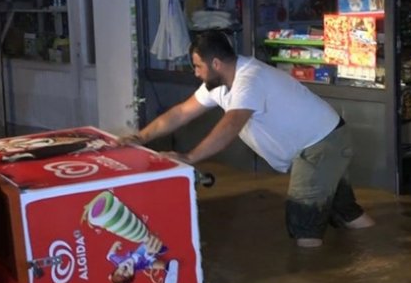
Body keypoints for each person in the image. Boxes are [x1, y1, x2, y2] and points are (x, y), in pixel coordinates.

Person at [123, 30, 374, 247]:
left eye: (198, 66)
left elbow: (231, 125)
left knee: (303, 225)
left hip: (321, 145)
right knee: (346, 214)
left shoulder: (249, 80)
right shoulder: (219, 84)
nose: (195, 73)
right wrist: (140, 137)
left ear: (216, 63)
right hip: (326, 140)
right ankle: (376, 253)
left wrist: (189, 157)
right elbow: (181, 112)